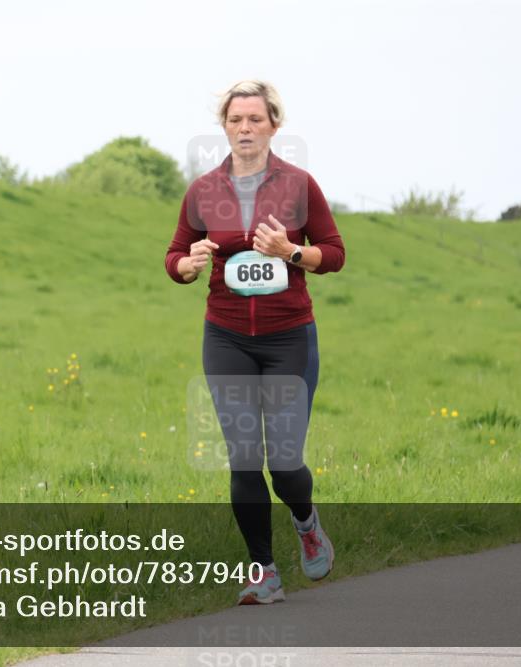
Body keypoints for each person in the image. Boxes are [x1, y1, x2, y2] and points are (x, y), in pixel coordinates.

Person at [164, 80, 346, 605]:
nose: (245, 128)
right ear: (224, 126)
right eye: (236, 120)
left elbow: (333, 253)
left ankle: (306, 520)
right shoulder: (203, 191)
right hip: (225, 338)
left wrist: (292, 251)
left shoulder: (299, 186)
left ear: (274, 126)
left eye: (255, 120)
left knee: (284, 462)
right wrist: (187, 266)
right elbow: (175, 256)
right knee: (244, 457)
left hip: (288, 338)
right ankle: (264, 572)